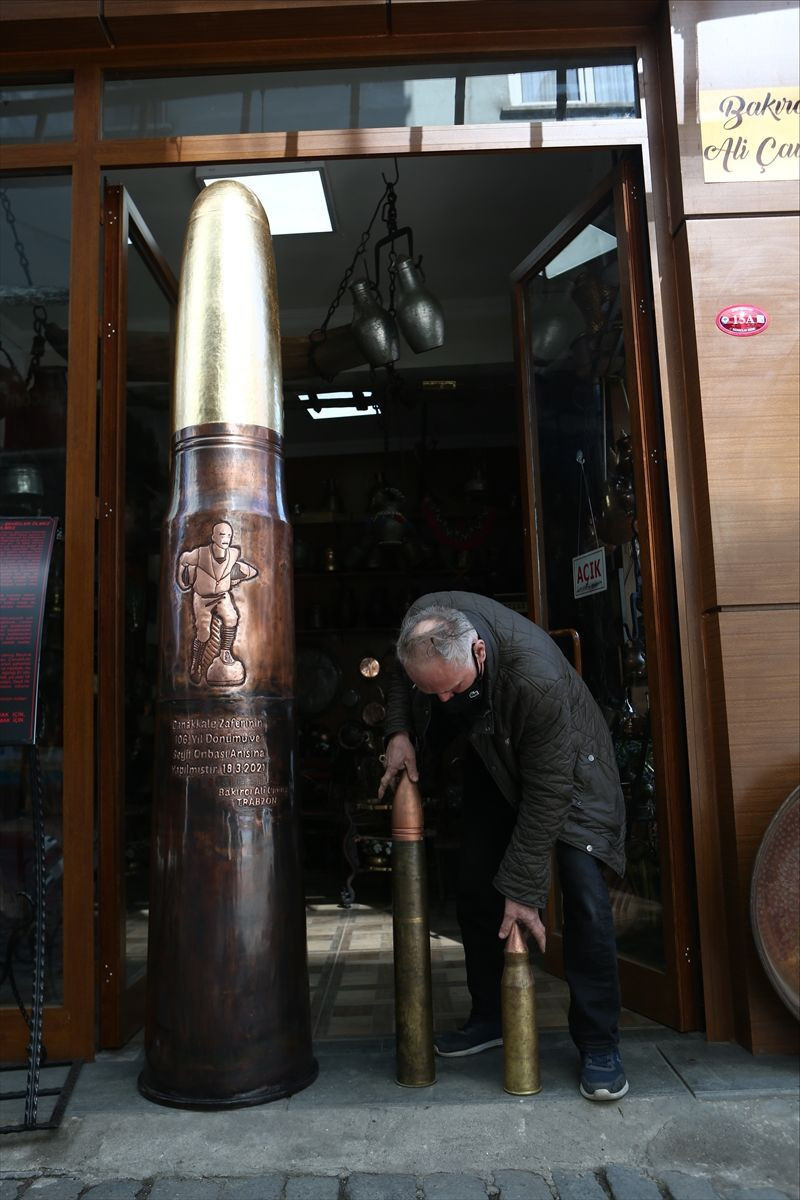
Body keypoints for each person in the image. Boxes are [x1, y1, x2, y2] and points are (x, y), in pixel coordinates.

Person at [379, 591, 628, 1101]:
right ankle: (490, 1017)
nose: (444, 703)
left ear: (479, 654)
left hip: (571, 773)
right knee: (475, 884)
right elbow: (399, 676)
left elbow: (547, 796)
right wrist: (399, 732)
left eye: (451, 692)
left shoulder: (538, 680)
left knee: (583, 897)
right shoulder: (420, 625)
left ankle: (600, 1044)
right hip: (496, 756)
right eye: (434, 695)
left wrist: (524, 890)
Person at [177, 520, 258, 686]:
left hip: (222, 596)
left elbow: (250, 571)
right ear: (213, 537)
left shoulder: (233, 554)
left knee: (232, 618)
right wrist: (185, 577)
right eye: (222, 534)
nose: (226, 538)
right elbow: (184, 559)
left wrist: (237, 576)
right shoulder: (200, 554)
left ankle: (225, 652)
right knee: (203, 633)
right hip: (203, 599)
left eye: (229, 535)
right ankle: (196, 663)